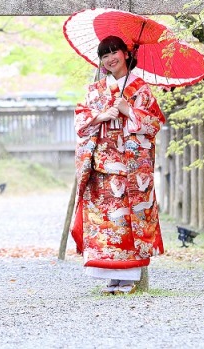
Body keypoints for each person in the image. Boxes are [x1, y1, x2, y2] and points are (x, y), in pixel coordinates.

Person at [70, 35, 165, 294]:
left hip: (130, 168)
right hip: (102, 164)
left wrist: (129, 111)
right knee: (105, 220)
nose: (110, 58)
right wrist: (102, 115)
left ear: (126, 53)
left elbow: (155, 123)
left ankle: (128, 278)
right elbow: (80, 122)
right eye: (104, 55)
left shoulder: (141, 89)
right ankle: (110, 277)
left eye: (114, 52)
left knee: (127, 220)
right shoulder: (95, 91)